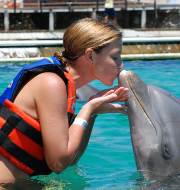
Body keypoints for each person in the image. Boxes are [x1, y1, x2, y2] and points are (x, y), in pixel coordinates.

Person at [0, 17, 129, 181]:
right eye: (115, 56)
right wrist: (87, 109)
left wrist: (92, 113)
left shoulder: (65, 86)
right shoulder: (52, 83)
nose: (121, 64)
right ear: (90, 56)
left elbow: (70, 161)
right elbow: (58, 164)